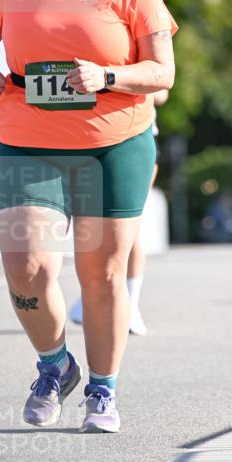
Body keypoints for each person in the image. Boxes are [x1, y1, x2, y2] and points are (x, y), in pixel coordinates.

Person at [0, 0, 178, 433]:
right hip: (27, 141)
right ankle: (55, 364)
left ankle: (103, 390)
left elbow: (163, 73)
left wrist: (105, 73)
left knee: (101, 274)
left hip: (113, 142)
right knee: (25, 268)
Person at [67, 88, 169, 335]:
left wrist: (109, 79)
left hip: (133, 139)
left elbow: (162, 93)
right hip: (86, 136)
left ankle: (131, 304)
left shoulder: (140, 48)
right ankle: (92, 297)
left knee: (129, 226)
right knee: (90, 222)